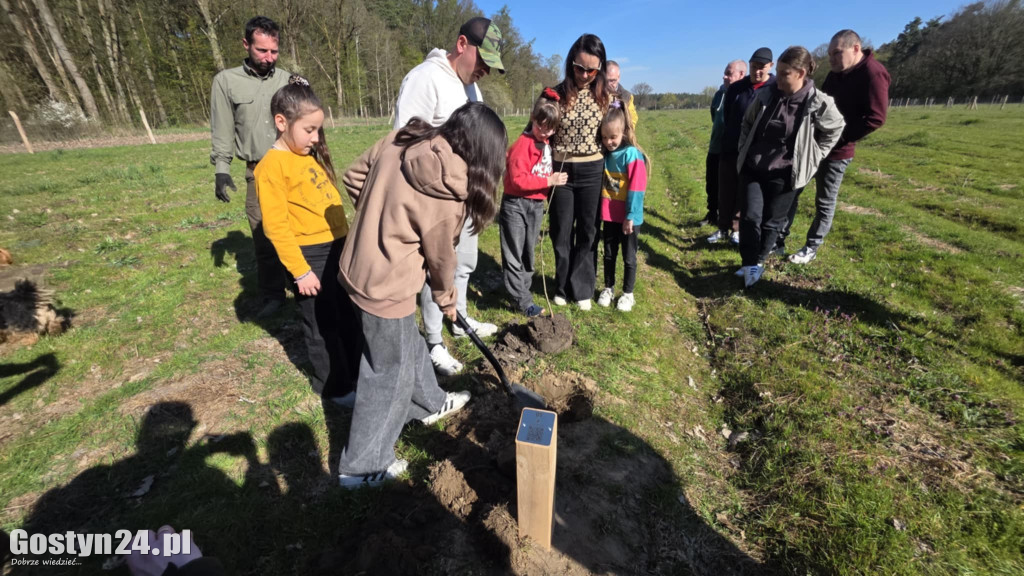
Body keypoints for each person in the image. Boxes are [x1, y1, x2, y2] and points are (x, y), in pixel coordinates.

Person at [336, 102, 507, 488]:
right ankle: (361, 466)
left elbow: (352, 177)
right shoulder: (449, 196)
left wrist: (377, 221)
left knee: (405, 344)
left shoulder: (403, 138)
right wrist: (448, 300)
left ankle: (429, 402)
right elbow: (441, 262)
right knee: (387, 373)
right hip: (386, 288)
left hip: (354, 267)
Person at [392, 16, 506, 376]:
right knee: (436, 269)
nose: (485, 70)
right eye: (482, 61)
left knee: (464, 264)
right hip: (435, 201)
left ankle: (460, 319)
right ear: (461, 45)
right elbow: (403, 142)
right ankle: (434, 340)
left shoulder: (471, 87)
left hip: (466, 194)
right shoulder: (424, 80)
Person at [254, 76, 360, 404]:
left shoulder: (303, 155)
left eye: (318, 130)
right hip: (310, 256)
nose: (315, 138)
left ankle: (358, 372)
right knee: (321, 322)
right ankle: (334, 387)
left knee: (346, 314)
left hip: (336, 246)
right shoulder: (271, 166)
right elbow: (276, 227)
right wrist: (300, 271)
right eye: (309, 130)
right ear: (281, 122)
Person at [735, 46, 845, 287]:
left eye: (785, 73)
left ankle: (759, 261)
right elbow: (748, 122)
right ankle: (748, 263)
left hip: (785, 173)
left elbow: (835, 128)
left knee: (772, 222)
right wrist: (745, 149)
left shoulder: (817, 102)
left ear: (801, 73)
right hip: (754, 167)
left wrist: (816, 155)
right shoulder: (766, 95)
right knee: (750, 217)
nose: (779, 77)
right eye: (779, 71)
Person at [209, 16, 291, 318]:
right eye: (261, 51)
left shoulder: (288, 80)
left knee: (300, 230)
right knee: (263, 235)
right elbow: (222, 128)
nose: (268, 58)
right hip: (257, 171)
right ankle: (273, 294)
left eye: (274, 51)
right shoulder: (226, 82)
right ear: (246, 45)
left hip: (292, 167)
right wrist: (221, 168)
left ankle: (302, 283)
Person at [787, 29, 890, 264]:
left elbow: (876, 118)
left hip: (837, 152)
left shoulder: (874, 74)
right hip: (813, 146)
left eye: (836, 53)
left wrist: (837, 138)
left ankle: (811, 246)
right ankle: (778, 239)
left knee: (824, 200)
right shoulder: (835, 74)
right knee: (793, 189)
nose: (831, 58)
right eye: (830, 53)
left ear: (855, 48)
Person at [550, 34, 611, 311]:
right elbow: (537, 131)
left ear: (600, 69)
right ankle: (561, 285)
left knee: (588, 230)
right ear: (570, 63)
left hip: (593, 170)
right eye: (579, 68)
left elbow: (618, 135)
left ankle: (582, 286)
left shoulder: (608, 98)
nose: (585, 75)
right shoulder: (553, 95)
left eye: (592, 70)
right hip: (561, 171)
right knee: (561, 230)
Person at [500, 88, 567, 318]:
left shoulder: (547, 145)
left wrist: (549, 189)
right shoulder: (523, 144)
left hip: (536, 206)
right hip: (516, 204)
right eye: (540, 125)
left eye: (549, 127)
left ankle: (522, 291)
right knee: (514, 252)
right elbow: (518, 180)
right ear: (533, 120)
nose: (544, 131)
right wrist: (549, 180)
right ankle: (522, 300)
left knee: (529, 251)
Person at [708, 47, 775, 246]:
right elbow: (727, 115)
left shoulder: (774, 88)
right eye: (754, 66)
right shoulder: (737, 88)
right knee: (725, 189)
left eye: (761, 67)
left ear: (770, 66)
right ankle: (722, 227)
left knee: (743, 193)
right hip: (730, 148)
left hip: (754, 152)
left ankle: (736, 230)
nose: (757, 71)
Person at [596, 102, 648, 312]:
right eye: (605, 137)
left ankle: (628, 293)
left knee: (629, 257)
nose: (609, 142)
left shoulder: (632, 155)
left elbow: (636, 189)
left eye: (613, 137)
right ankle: (608, 288)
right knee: (609, 254)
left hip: (628, 219)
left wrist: (630, 216)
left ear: (624, 132)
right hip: (609, 216)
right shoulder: (605, 154)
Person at [702, 59, 747, 226]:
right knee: (711, 182)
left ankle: (729, 220)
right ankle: (712, 213)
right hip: (715, 146)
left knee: (730, 187)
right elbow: (714, 116)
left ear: (741, 74)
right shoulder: (719, 94)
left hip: (733, 149)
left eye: (729, 73)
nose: (724, 76)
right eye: (725, 72)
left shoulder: (744, 93)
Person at [605, 60, 638, 127]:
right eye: (605, 81)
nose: (608, 84)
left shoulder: (627, 96)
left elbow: (632, 120)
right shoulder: (595, 94)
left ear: (618, 77)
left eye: (612, 81)